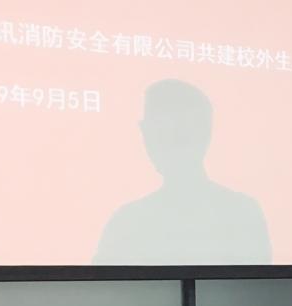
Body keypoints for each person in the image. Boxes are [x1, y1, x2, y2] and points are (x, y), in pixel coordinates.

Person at [94, 79, 271, 265]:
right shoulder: (126, 222)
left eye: (175, 135)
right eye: (155, 133)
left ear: (204, 135)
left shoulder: (242, 212)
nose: (161, 144)